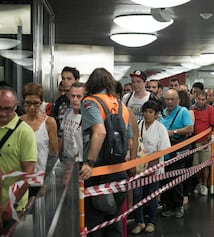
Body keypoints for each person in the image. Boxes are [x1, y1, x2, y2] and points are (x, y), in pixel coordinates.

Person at [80, 68, 132, 237]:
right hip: (118, 171)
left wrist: (89, 163)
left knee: (94, 224)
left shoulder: (90, 102)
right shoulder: (121, 105)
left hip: (97, 172)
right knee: (113, 221)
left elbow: (100, 132)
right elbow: (129, 140)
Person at [0, 86, 37, 228]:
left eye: (7, 109)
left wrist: (9, 204)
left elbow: (28, 174)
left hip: (12, 208)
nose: (3, 113)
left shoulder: (24, 133)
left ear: (15, 107)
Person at [131, 101, 170, 234]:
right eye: (146, 111)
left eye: (151, 112)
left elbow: (164, 149)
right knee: (137, 195)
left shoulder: (160, 128)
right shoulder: (138, 125)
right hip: (139, 165)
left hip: (155, 165)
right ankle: (139, 221)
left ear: (156, 114)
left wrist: (152, 167)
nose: (147, 114)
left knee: (152, 194)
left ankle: (151, 221)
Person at [160, 89, 193, 218]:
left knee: (175, 179)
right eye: (167, 99)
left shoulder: (183, 111)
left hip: (177, 150)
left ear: (178, 100)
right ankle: (168, 205)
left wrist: (173, 132)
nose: (169, 101)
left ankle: (178, 206)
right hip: (164, 152)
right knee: (165, 180)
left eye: (172, 99)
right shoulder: (162, 113)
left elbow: (190, 128)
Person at [20, 83, 59, 174]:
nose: (32, 107)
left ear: (41, 102)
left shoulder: (49, 122)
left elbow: (54, 152)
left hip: (43, 175)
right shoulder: (18, 122)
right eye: (28, 103)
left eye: (36, 103)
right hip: (23, 176)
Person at [191, 90, 214, 196]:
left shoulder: (211, 110)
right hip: (194, 142)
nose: (201, 101)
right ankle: (200, 183)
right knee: (195, 166)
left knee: (205, 165)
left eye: (203, 99)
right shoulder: (191, 110)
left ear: (206, 100)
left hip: (205, 142)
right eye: (199, 99)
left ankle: (205, 185)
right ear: (195, 98)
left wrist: (208, 138)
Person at [60, 82, 85, 162]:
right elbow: (64, 135)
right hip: (66, 158)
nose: (75, 100)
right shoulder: (67, 112)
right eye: (72, 96)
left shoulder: (87, 117)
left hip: (79, 160)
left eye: (78, 97)